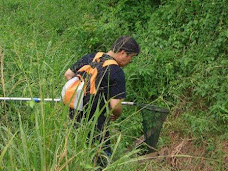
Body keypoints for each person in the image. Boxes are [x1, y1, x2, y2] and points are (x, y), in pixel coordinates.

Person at [64, 35, 140, 158]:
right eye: (131, 57)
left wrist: (82, 92)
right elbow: (115, 106)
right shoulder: (116, 72)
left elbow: (68, 74)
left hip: (74, 114)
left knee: (77, 152)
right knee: (101, 155)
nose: (130, 61)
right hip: (95, 120)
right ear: (123, 53)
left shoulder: (90, 57)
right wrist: (116, 114)